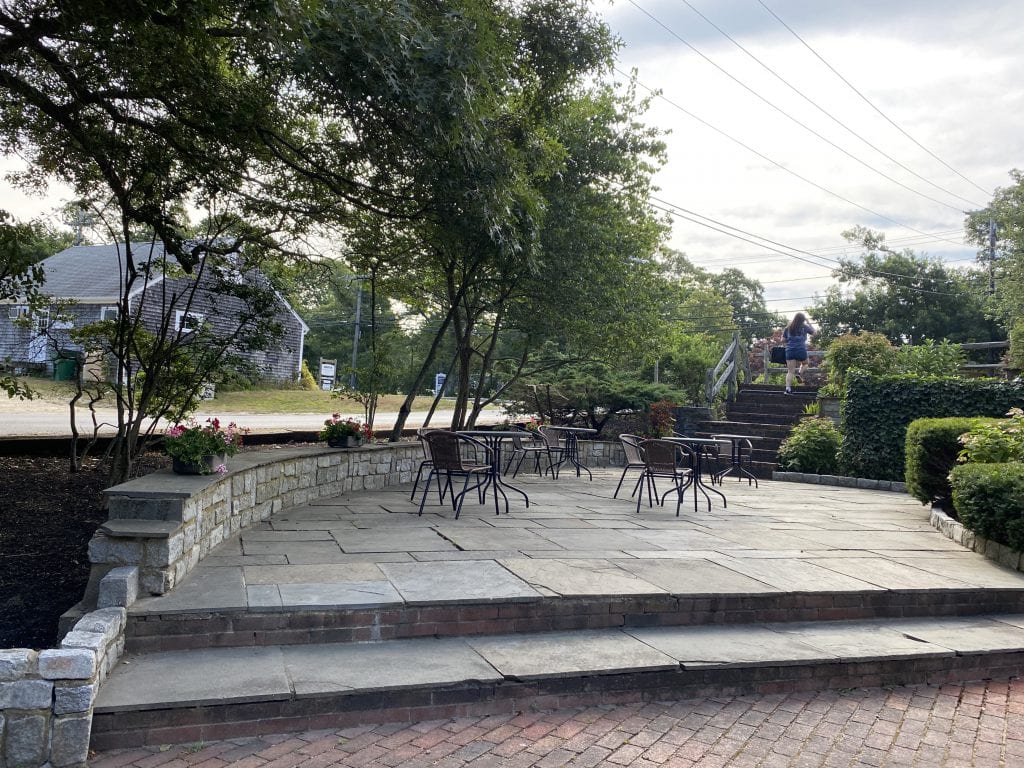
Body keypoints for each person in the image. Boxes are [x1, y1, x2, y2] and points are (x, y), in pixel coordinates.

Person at [783, 312, 815, 394]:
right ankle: (799, 373)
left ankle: (788, 389)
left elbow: (783, 340)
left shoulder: (788, 327)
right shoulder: (805, 327)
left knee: (790, 371)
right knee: (805, 363)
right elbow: (815, 333)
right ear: (803, 320)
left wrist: (789, 342)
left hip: (790, 351)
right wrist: (808, 322)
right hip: (801, 350)